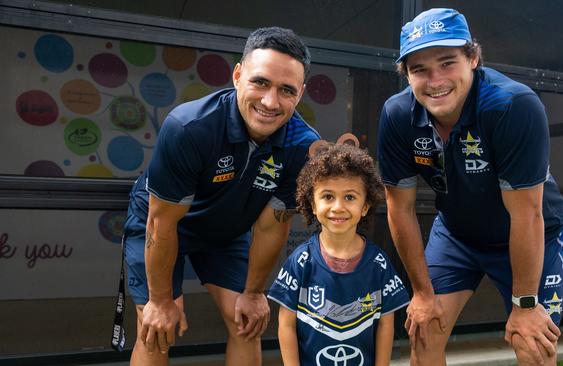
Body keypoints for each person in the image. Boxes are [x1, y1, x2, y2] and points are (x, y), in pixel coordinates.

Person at [377, 8, 563, 366]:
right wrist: (421, 292)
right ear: (406, 74)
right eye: (419, 69)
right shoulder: (397, 115)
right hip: (458, 234)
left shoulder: (513, 105)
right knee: (424, 330)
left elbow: (526, 214)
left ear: (474, 58)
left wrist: (525, 305)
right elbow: (399, 208)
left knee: (533, 345)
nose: (435, 80)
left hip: (530, 233)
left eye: (447, 62)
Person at [121, 26, 319, 365]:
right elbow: (161, 225)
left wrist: (255, 293)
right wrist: (159, 300)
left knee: (247, 322)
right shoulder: (188, 127)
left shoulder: (302, 147)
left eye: (286, 90)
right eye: (260, 82)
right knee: (158, 325)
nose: (270, 102)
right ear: (238, 75)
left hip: (226, 230)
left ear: (300, 94)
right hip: (163, 225)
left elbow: (272, 227)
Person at [267, 140, 410, 366]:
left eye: (350, 197)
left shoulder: (378, 264)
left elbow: (385, 324)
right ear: (312, 204)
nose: (338, 207)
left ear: (365, 206)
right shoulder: (301, 262)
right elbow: (286, 324)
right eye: (327, 196)